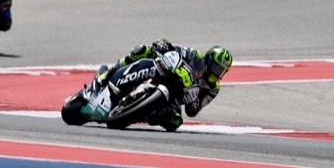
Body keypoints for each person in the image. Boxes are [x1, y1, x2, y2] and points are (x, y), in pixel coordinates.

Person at [92, 40, 234, 130]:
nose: (218, 73)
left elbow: (193, 111)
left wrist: (193, 99)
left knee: (175, 122)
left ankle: (139, 112)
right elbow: (173, 48)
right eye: (217, 68)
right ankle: (108, 73)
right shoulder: (195, 56)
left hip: (175, 99)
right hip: (165, 75)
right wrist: (164, 45)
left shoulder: (213, 88)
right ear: (209, 60)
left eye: (222, 71)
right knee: (143, 50)